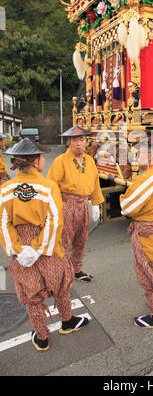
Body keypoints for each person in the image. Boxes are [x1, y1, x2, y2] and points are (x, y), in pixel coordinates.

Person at [0, 138, 89, 352]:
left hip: (20, 246)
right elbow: (54, 220)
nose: (42, 161)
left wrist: (20, 250)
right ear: (35, 161)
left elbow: (3, 222)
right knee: (61, 283)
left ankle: (41, 337)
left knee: (32, 294)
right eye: (40, 157)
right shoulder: (47, 187)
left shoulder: (6, 189)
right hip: (48, 246)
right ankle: (67, 321)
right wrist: (39, 248)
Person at [120, 141, 153, 329]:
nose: (136, 158)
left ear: (150, 156)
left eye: (140, 153)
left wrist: (122, 197)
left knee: (148, 271)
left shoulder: (147, 179)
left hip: (147, 232)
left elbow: (126, 208)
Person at [47, 126, 104, 282]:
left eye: (82, 139)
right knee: (64, 241)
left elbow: (95, 183)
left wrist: (96, 204)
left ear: (86, 142)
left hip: (84, 203)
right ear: (68, 143)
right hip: (68, 204)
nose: (79, 143)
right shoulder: (60, 161)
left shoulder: (90, 160)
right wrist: (58, 207)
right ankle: (60, 273)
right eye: (75, 140)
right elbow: (51, 186)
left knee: (81, 240)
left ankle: (76, 269)